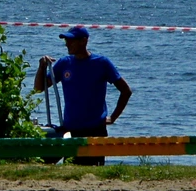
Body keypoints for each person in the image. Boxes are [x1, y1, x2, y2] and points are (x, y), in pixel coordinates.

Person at [33, 26, 133, 166]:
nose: (67, 44)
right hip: (71, 129)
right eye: (66, 41)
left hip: (95, 129)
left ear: (84, 41)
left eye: (71, 41)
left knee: (95, 171)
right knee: (71, 172)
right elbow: (39, 88)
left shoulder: (101, 63)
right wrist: (41, 67)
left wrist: (113, 117)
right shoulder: (64, 63)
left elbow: (125, 90)